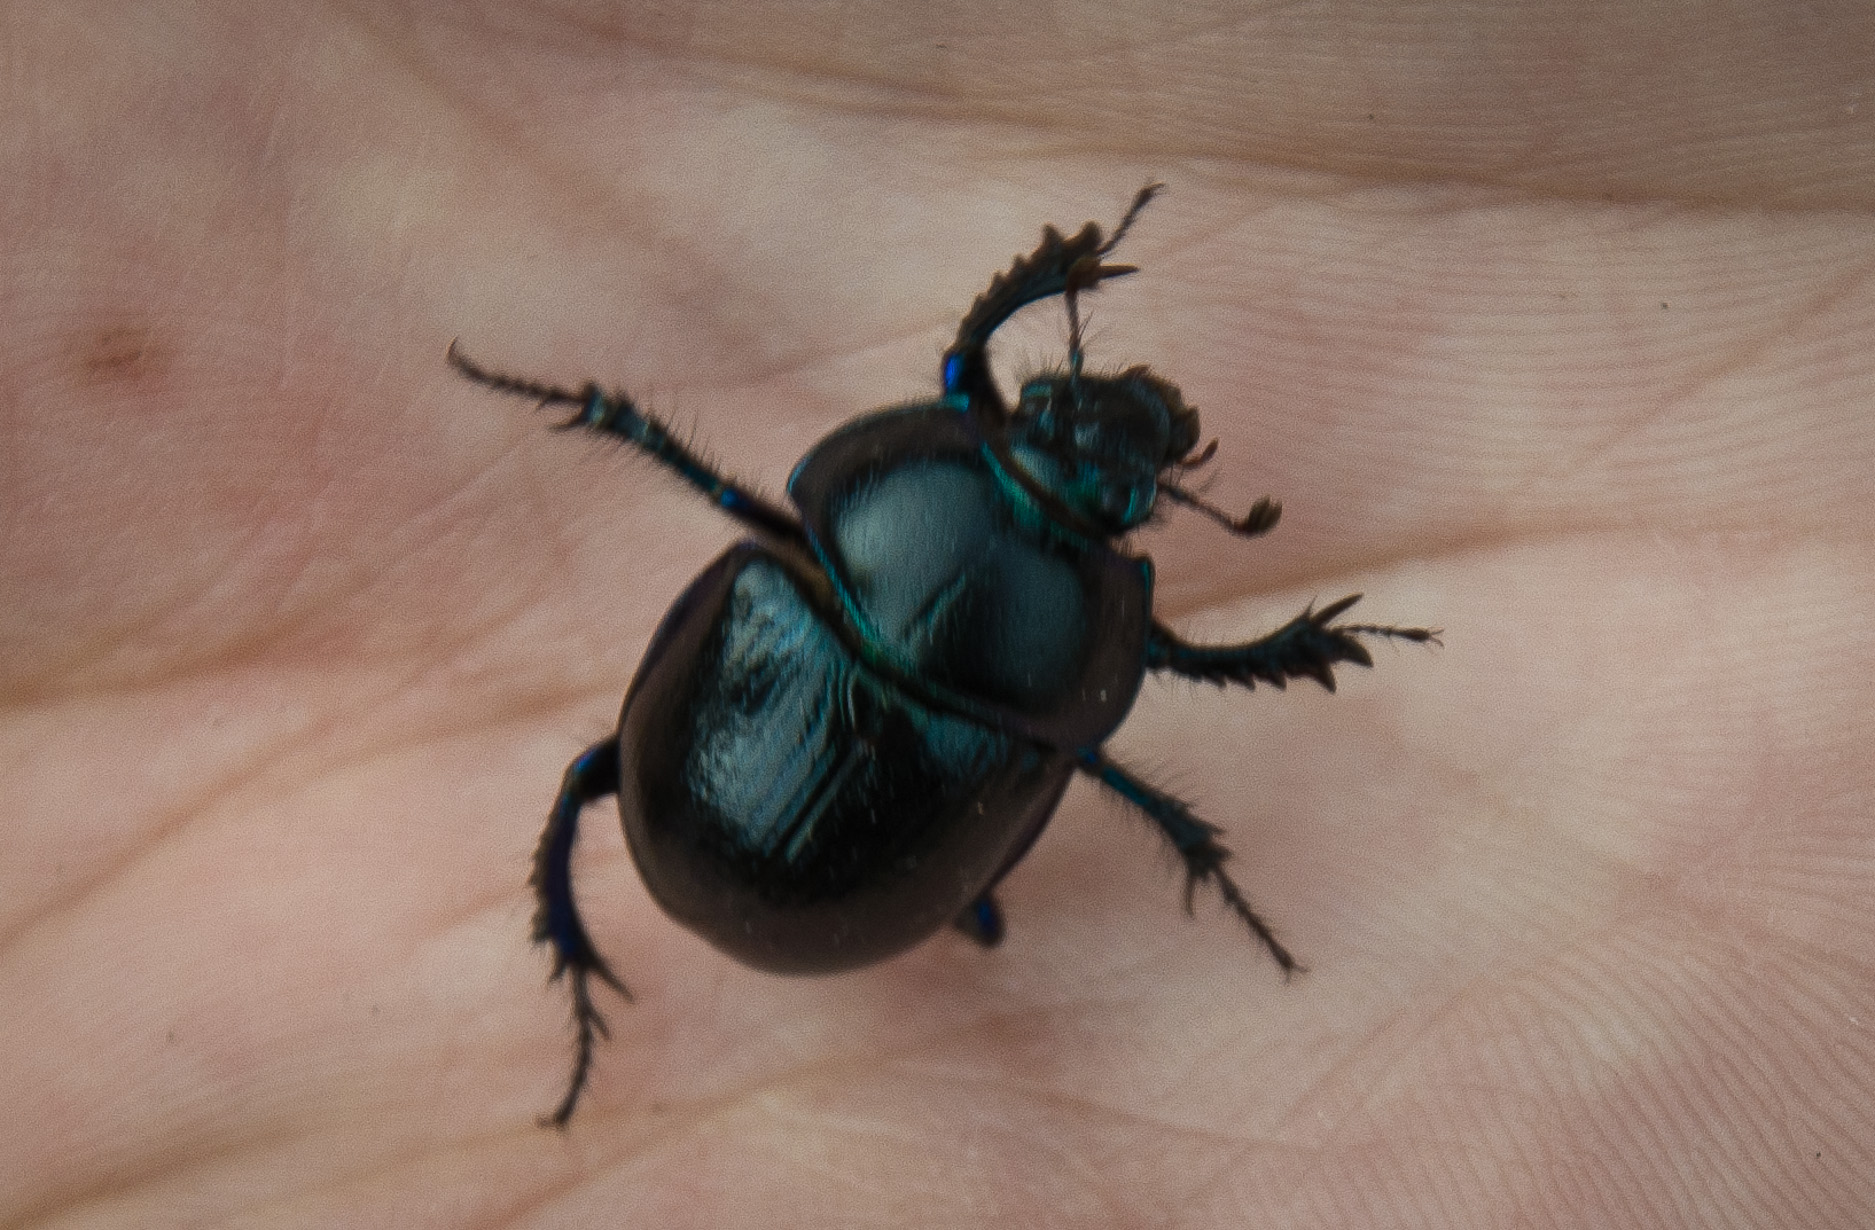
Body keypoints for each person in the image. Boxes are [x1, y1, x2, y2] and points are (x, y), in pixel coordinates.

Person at [3, 3, 1870, 1224]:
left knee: (601, 773)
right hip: (863, 873)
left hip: (792, 849)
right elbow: (1173, 659)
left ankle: (593, 987)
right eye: (1093, 463)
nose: (1097, 444)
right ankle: (608, 997)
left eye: (1104, 477)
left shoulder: (859, 536)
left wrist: (1043, 287)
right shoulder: (1070, 647)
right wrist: (1295, 640)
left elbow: (989, 405)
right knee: (995, 765)